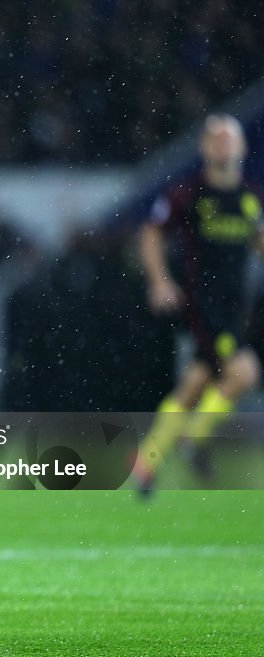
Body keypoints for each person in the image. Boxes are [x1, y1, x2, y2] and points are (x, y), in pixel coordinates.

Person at [134, 113, 264, 495]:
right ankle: (194, 436)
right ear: (205, 147)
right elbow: (151, 233)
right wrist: (159, 281)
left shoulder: (250, 197)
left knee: (197, 383)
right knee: (245, 374)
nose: (223, 145)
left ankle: (147, 461)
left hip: (236, 306)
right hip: (204, 304)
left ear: (242, 147)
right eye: (216, 139)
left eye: (230, 139)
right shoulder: (189, 193)